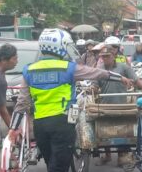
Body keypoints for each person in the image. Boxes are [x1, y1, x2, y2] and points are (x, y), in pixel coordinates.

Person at [8, 28, 132, 172]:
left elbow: (22, 102)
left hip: (40, 125)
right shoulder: (68, 68)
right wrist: (120, 77)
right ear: (60, 47)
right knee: (59, 167)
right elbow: (97, 73)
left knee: (51, 164)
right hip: (63, 123)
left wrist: (13, 128)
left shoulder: (29, 70)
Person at [92, 45, 142, 166]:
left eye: (108, 56)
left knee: (123, 131)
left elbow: (135, 79)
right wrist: (93, 88)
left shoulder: (123, 67)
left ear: (114, 56)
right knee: (105, 133)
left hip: (122, 105)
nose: (105, 59)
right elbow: (95, 85)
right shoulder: (99, 70)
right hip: (105, 106)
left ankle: (121, 156)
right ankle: (107, 155)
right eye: (103, 57)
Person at [0, 43, 17, 172]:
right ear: (4, 60)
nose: (16, 62)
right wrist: (13, 129)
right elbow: (3, 109)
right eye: (14, 58)